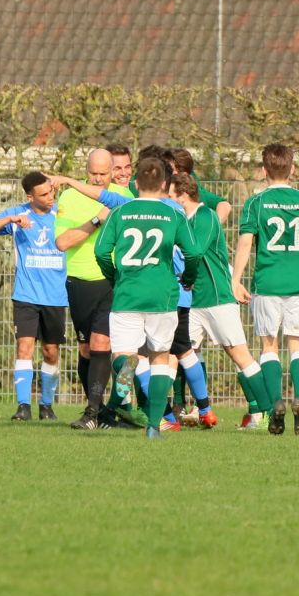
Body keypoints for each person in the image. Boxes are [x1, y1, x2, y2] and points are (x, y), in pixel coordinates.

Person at [231, 143, 299, 435]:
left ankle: (276, 401)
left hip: (267, 284)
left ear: (264, 171)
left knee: (268, 347)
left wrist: (236, 279)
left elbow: (245, 242)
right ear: (293, 169)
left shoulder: (256, 203)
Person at [93, 157, 202, 439]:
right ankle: (154, 426)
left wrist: (114, 276)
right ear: (165, 184)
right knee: (160, 358)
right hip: (163, 295)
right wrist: (188, 277)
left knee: (123, 355)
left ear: (137, 182)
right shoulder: (174, 214)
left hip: (128, 294)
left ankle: (125, 367)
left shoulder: (121, 211)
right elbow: (193, 253)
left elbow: (101, 252)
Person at [170, 173, 273, 429]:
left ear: (183, 196)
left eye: (172, 196)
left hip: (216, 297)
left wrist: (185, 275)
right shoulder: (184, 218)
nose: (170, 200)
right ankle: (173, 414)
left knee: (238, 353)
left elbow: (193, 253)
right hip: (192, 301)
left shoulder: (205, 217)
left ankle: (269, 411)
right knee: (179, 352)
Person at [54, 148, 132, 430]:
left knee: (107, 345)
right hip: (79, 282)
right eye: (93, 173)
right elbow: (63, 242)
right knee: (87, 349)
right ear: (85, 170)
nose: (98, 179)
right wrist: (97, 219)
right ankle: (100, 412)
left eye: (104, 173)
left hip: (114, 281)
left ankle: (101, 411)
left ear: (113, 171)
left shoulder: (125, 198)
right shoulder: (70, 196)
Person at [0, 171, 66, 421]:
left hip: (56, 296)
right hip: (26, 294)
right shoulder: (18, 214)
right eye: (44, 194)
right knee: (24, 347)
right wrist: (11, 219)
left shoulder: (61, 214)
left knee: (50, 351)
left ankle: (47, 405)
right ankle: (23, 406)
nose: (50, 197)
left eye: (51, 191)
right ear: (30, 196)